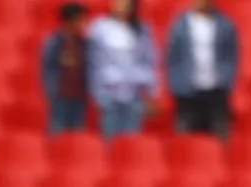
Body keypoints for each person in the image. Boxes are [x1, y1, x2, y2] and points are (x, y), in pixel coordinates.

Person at [165, 0, 238, 139]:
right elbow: (173, 58)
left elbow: (231, 57)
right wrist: (177, 85)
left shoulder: (225, 25)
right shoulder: (180, 25)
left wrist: (225, 81)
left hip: (216, 92)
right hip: (188, 93)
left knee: (219, 142)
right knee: (186, 144)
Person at [88, 0, 157, 140]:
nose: (121, 6)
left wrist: (151, 92)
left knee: (131, 140)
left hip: (133, 94)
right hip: (110, 93)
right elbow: (94, 63)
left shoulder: (142, 30)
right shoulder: (101, 28)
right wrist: (97, 92)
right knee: (110, 139)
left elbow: (148, 61)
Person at [41, 3, 93, 136]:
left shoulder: (83, 43)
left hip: (79, 97)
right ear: (69, 21)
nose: (83, 24)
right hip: (60, 96)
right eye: (80, 20)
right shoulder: (54, 42)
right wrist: (51, 92)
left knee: (76, 136)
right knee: (57, 135)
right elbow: (48, 68)